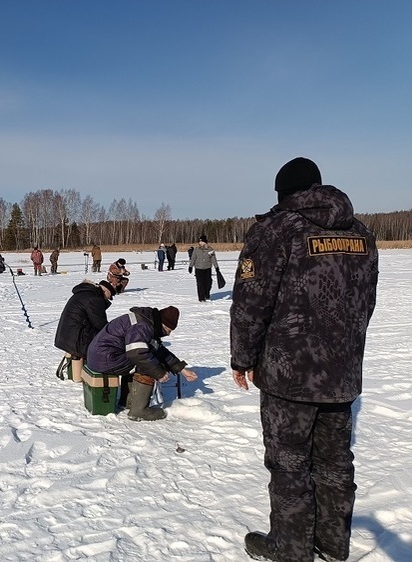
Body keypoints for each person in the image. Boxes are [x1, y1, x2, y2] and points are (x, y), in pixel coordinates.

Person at [230, 157, 379, 562]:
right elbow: (366, 303)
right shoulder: (360, 233)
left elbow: (250, 303)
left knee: (290, 463)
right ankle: (333, 543)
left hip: (289, 376)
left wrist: (242, 358)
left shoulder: (276, 230)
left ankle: (289, 550)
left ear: (283, 194)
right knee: (334, 462)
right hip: (342, 372)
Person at [87, 306, 198, 421]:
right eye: (168, 331)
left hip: (101, 356)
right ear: (162, 325)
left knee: (148, 358)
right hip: (104, 358)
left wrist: (181, 369)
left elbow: (158, 350)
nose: (168, 335)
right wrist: (158, 372)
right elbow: (137, 354)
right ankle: (139, 411)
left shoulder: (147, 322)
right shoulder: (143, 326)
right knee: (147, 364)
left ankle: (128, 401)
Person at [54, 279, 116, 380]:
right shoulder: (94, 298)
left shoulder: (85, 293)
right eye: (109, 297)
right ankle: (84, 376)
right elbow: (100, 323)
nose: (108, 299)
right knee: (104, 343)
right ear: (105, 291)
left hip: (67, 336)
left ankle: (75, 371)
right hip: (76, 339)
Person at [188, 235, 219, 301]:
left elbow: (213, 259)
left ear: (205, 242)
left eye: (201, 241)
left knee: (208, 283)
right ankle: (201, 298)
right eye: (199, 241)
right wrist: (190, 266)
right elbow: (193, 258)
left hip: (207, 268)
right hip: (198, 269)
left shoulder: (210, 250)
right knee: (200, 283)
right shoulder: (196, 249)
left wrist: (217, 267)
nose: (200, 243)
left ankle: (206, 293)